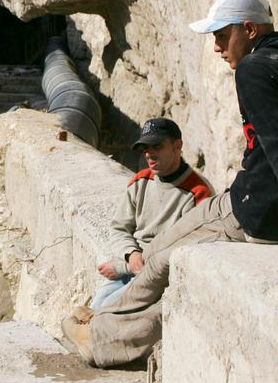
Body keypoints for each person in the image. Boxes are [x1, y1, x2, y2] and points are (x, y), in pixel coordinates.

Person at [61, 0, 278, 367]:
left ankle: (101, 339)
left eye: (221, 35)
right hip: (265, 203)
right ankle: (106, 316)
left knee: (165, 261)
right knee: (158, 246)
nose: (216, 47)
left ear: (248, 29)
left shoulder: (254, 68)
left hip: (257, 211)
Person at [91, 118, 212, 309]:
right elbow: (119, 228)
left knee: (104, 313)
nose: (150, 154)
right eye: (145, 148)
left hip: (157, 277)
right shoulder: (140, 181)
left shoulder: (198, 192)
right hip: (132, 265)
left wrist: (127, 266)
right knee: (94, 309)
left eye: (157, 146)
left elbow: (184, 251)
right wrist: (131, 255)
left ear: (177, 146)